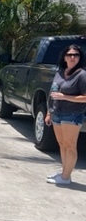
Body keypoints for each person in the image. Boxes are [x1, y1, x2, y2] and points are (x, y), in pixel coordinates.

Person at [45, 44, 86, 185]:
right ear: (64, 57)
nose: (72, 57)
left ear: (80, 58)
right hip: (57, 113)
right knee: (62, 144)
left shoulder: (82, 75)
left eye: (76, 55)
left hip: (72, 114)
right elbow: (52, 93)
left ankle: (65, 177)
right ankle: (64, 173)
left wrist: (65, 97)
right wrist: (49, 112)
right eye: (69, 54)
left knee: (70, 145)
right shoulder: (60, 71)